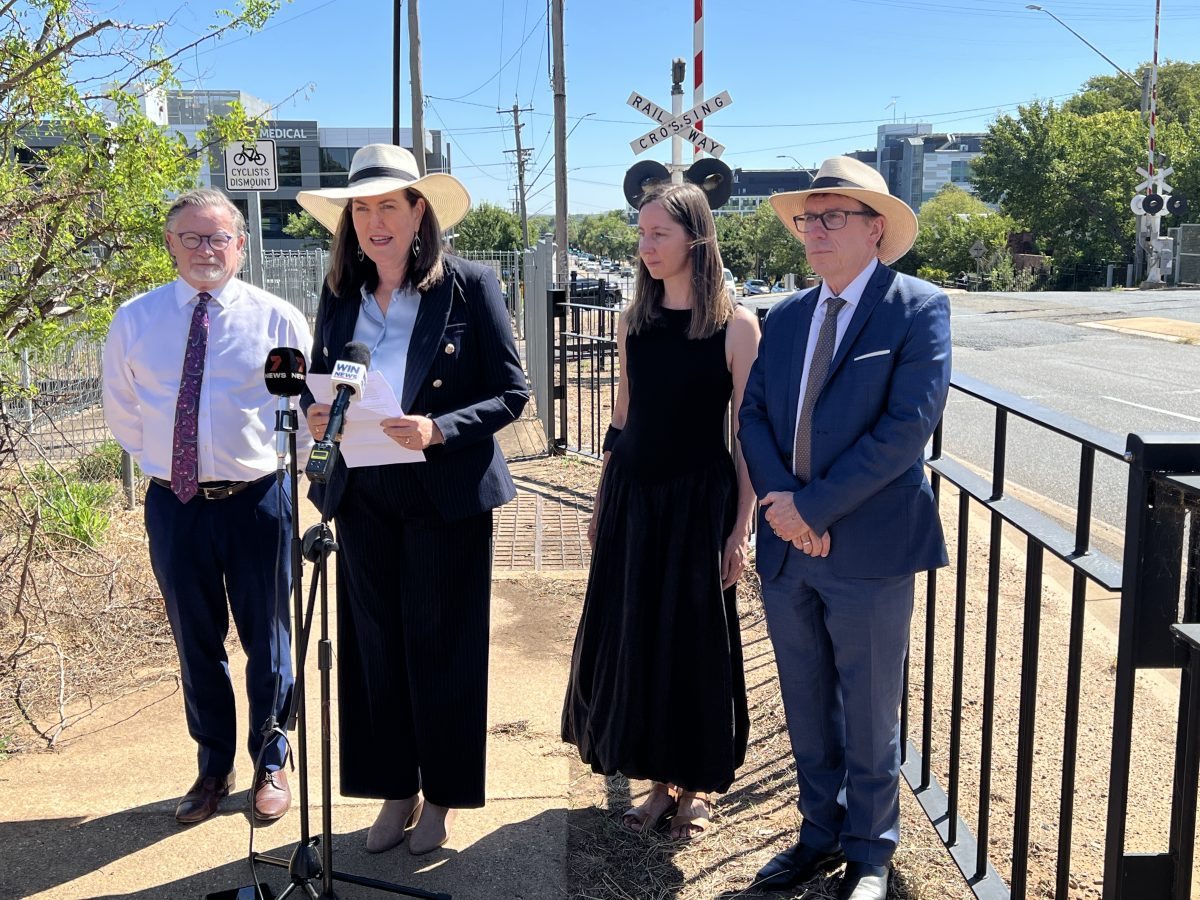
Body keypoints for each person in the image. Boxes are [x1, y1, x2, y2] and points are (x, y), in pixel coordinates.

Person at [295, 144, 527, 855]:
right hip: (363, 492)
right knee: (375, 651)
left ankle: (445, 796)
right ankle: (395, 788)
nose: (373, 222)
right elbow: (325, 381)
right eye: (360, 209)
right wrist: (316, 417)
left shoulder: (470, 284)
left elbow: (514, 393)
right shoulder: (339, 295)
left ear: (418, 211)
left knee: (441, 648)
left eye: (387, 206)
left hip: (443, 493)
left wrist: (439, 428)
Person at [738, 156, 951, 900]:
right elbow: (753, 414)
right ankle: (817, 835)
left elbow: (905, 430)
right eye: (808, 218)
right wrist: (783, 507)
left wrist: (814, 509)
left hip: (867, 548)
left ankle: (869, 853)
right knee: (805, 701)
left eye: (832, 217)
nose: (814, 231)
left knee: (867, 709)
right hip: (789, 546)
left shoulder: (916, 308)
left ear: (876, 228)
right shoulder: (789, 314)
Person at [102, 188, 312, 825]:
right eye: (190, 238)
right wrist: (174, 470)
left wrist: (282, 472)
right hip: (176, 506)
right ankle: (213, 766)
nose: (205, 250)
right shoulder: (135, 321)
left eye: (218, 238)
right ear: (170, 245)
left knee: (268, 640)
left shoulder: (277, 320)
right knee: (197, 641)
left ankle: (271, 760)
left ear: (241, 246)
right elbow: (125, 412)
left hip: (259, 504)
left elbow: (299, 414)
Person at [561, 181, 759, 841]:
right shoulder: (633, 321)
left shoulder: (736, 326)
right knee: (639, 638)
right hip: (633, 500)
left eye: (658, 235)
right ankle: (654, 784)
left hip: (699, 504)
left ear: (696, 239)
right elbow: (621, 418)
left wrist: (741, 527)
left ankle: (696, 789)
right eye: (641, 235)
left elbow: (748, 438)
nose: (645, 247)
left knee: (694, 644)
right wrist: (601, 498)